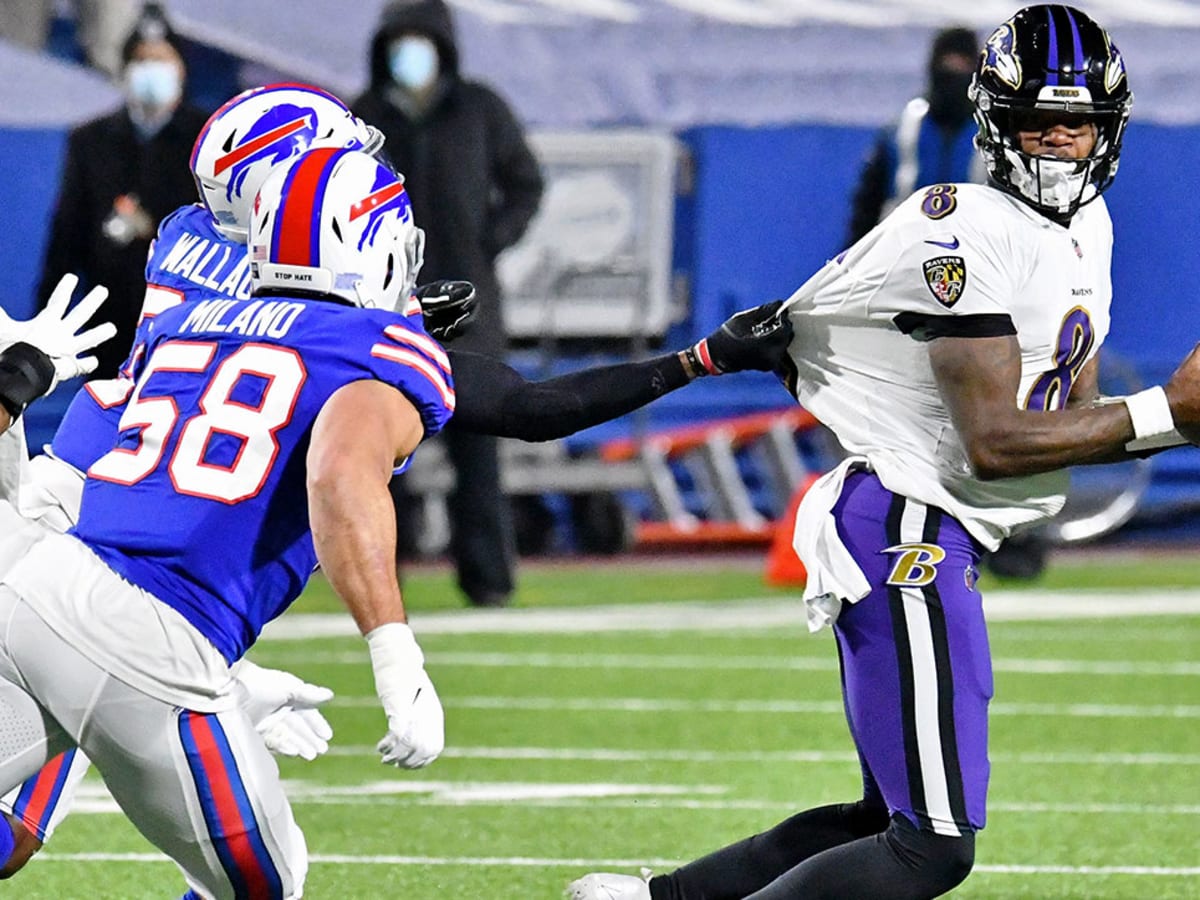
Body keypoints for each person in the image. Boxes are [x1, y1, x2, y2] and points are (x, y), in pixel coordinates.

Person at [568, 6, 1200, 899]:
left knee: (886, 821)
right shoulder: (963, 228)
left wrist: (1163, 417)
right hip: (908, 521)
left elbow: (1073, 416)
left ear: (1109, 130)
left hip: (936, 526)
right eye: (1037, 125)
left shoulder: (1087, 226)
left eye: (1078, 125)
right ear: (996, 124)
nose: (1058, 147)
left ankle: (658, 899)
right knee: (931, 847)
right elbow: (995, 440)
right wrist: (1168, 413)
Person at [0, 148, 453, 898]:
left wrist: (234, 682)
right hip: (157, 646)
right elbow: (338, 476)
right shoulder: (381, 354)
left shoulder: (193, 322)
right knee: (264, 885)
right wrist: (395, 656)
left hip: (39, 582)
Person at [353, 0, 545, 608]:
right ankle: (385, 577)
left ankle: (488, 580)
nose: (408, 53)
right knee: (384, 452)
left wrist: (491, 237)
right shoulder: (366, 115)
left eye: (419, 40)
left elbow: (525, 181)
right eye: (399, 41)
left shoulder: (479, 109)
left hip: (468, 308)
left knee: (477, 451)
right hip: (388, 305)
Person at [36, 3, 208, 379]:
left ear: (181, 68)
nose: (151, 70)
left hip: (184, 319)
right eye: (142, 60)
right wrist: (45, 320)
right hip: (109, 317)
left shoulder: (206, 137)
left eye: (162, 60)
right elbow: (67, 232)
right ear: (126, 69)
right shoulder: (91, 139)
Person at [846, 26, 983, 246]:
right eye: (947, 64)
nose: (954, 74)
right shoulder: (902, 127)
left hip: (974, 251)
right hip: (902, 251)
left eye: (962, 65)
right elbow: (869, 202)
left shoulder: (993, 132)